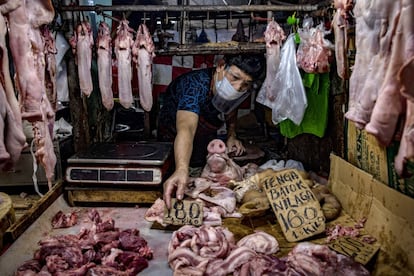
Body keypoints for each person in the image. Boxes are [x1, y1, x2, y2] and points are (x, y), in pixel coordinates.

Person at [157, 54, 266, 208]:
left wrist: (231, 135)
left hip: (203, 142)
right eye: (234, 77)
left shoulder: (236, 89)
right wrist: (181, 168)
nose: (237, 88)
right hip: (173, 143)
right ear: (221, 66)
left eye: (245, 84)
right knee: (177, 182)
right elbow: (186, 129)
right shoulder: (194, 85)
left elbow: (231, 107)